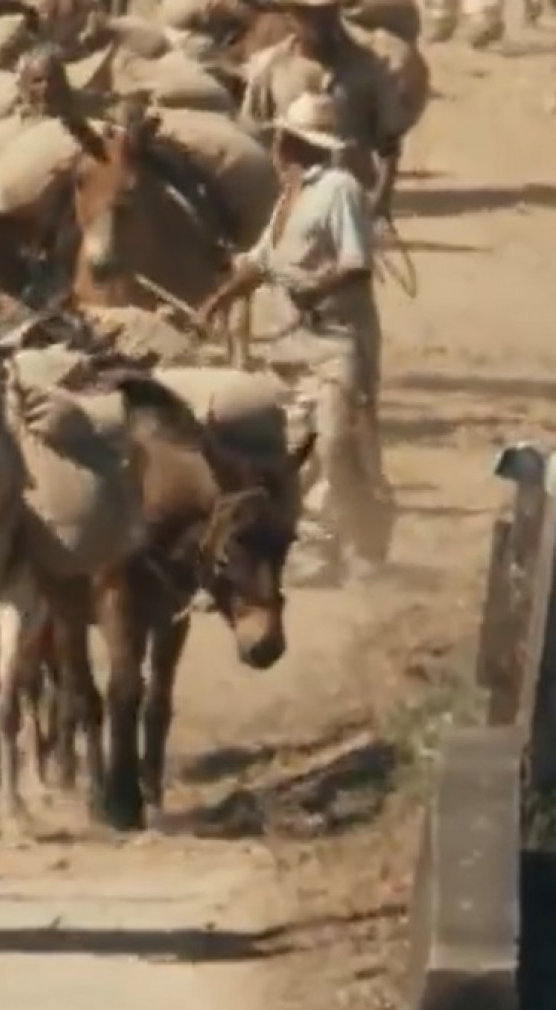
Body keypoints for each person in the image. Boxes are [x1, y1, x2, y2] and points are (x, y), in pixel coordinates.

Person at [197, 91, 394, 585]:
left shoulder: (339, 189)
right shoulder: (289, 196)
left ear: (291, 141)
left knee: (335, 444)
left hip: (336, 341)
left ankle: (356, 539)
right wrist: (218, 301)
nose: (277, 146)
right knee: (295, 451)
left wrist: (313, 292)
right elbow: (262, 263)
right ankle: (318, 549)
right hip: (289, 347)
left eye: (282, 138)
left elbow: (356, 265)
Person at [237, 0, 408, 219]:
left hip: (351, 200)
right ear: (292, 16)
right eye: (308, 15)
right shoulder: (270, 67)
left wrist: (381, 199)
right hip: (286, 202)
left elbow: (390, 145)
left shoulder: (368, 69)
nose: (319, 22)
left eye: (327, 13)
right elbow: (251, 135)